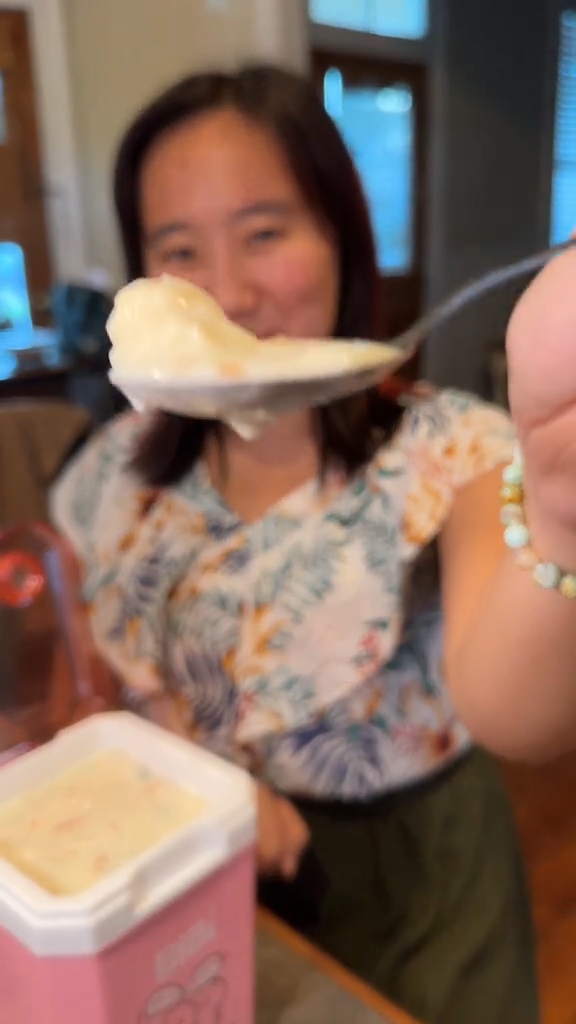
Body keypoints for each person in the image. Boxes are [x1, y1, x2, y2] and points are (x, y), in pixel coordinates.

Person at [50, 64, 576, 1024]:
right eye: (180, 250)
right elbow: (100, 657)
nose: (231, 292)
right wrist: (198, 785)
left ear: (341, 235)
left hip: (413, 894)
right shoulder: (112, 469)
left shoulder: (451, 449)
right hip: (181, 876)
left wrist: (561, 510)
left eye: (265, 232)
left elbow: (519, 713)